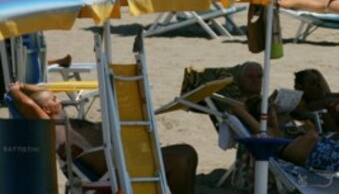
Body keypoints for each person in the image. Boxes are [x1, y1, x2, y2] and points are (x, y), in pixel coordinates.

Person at [7, 82, 198, 193]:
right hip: (114, 172)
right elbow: (29, 106)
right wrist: (14, 91)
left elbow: (40, 95)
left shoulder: (59, 121)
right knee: (184, 156)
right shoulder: (51, 127)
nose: (59, 99)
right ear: (47, 109)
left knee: (186, 154)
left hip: (121, 162)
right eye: (54, 100)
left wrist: (22, 85)